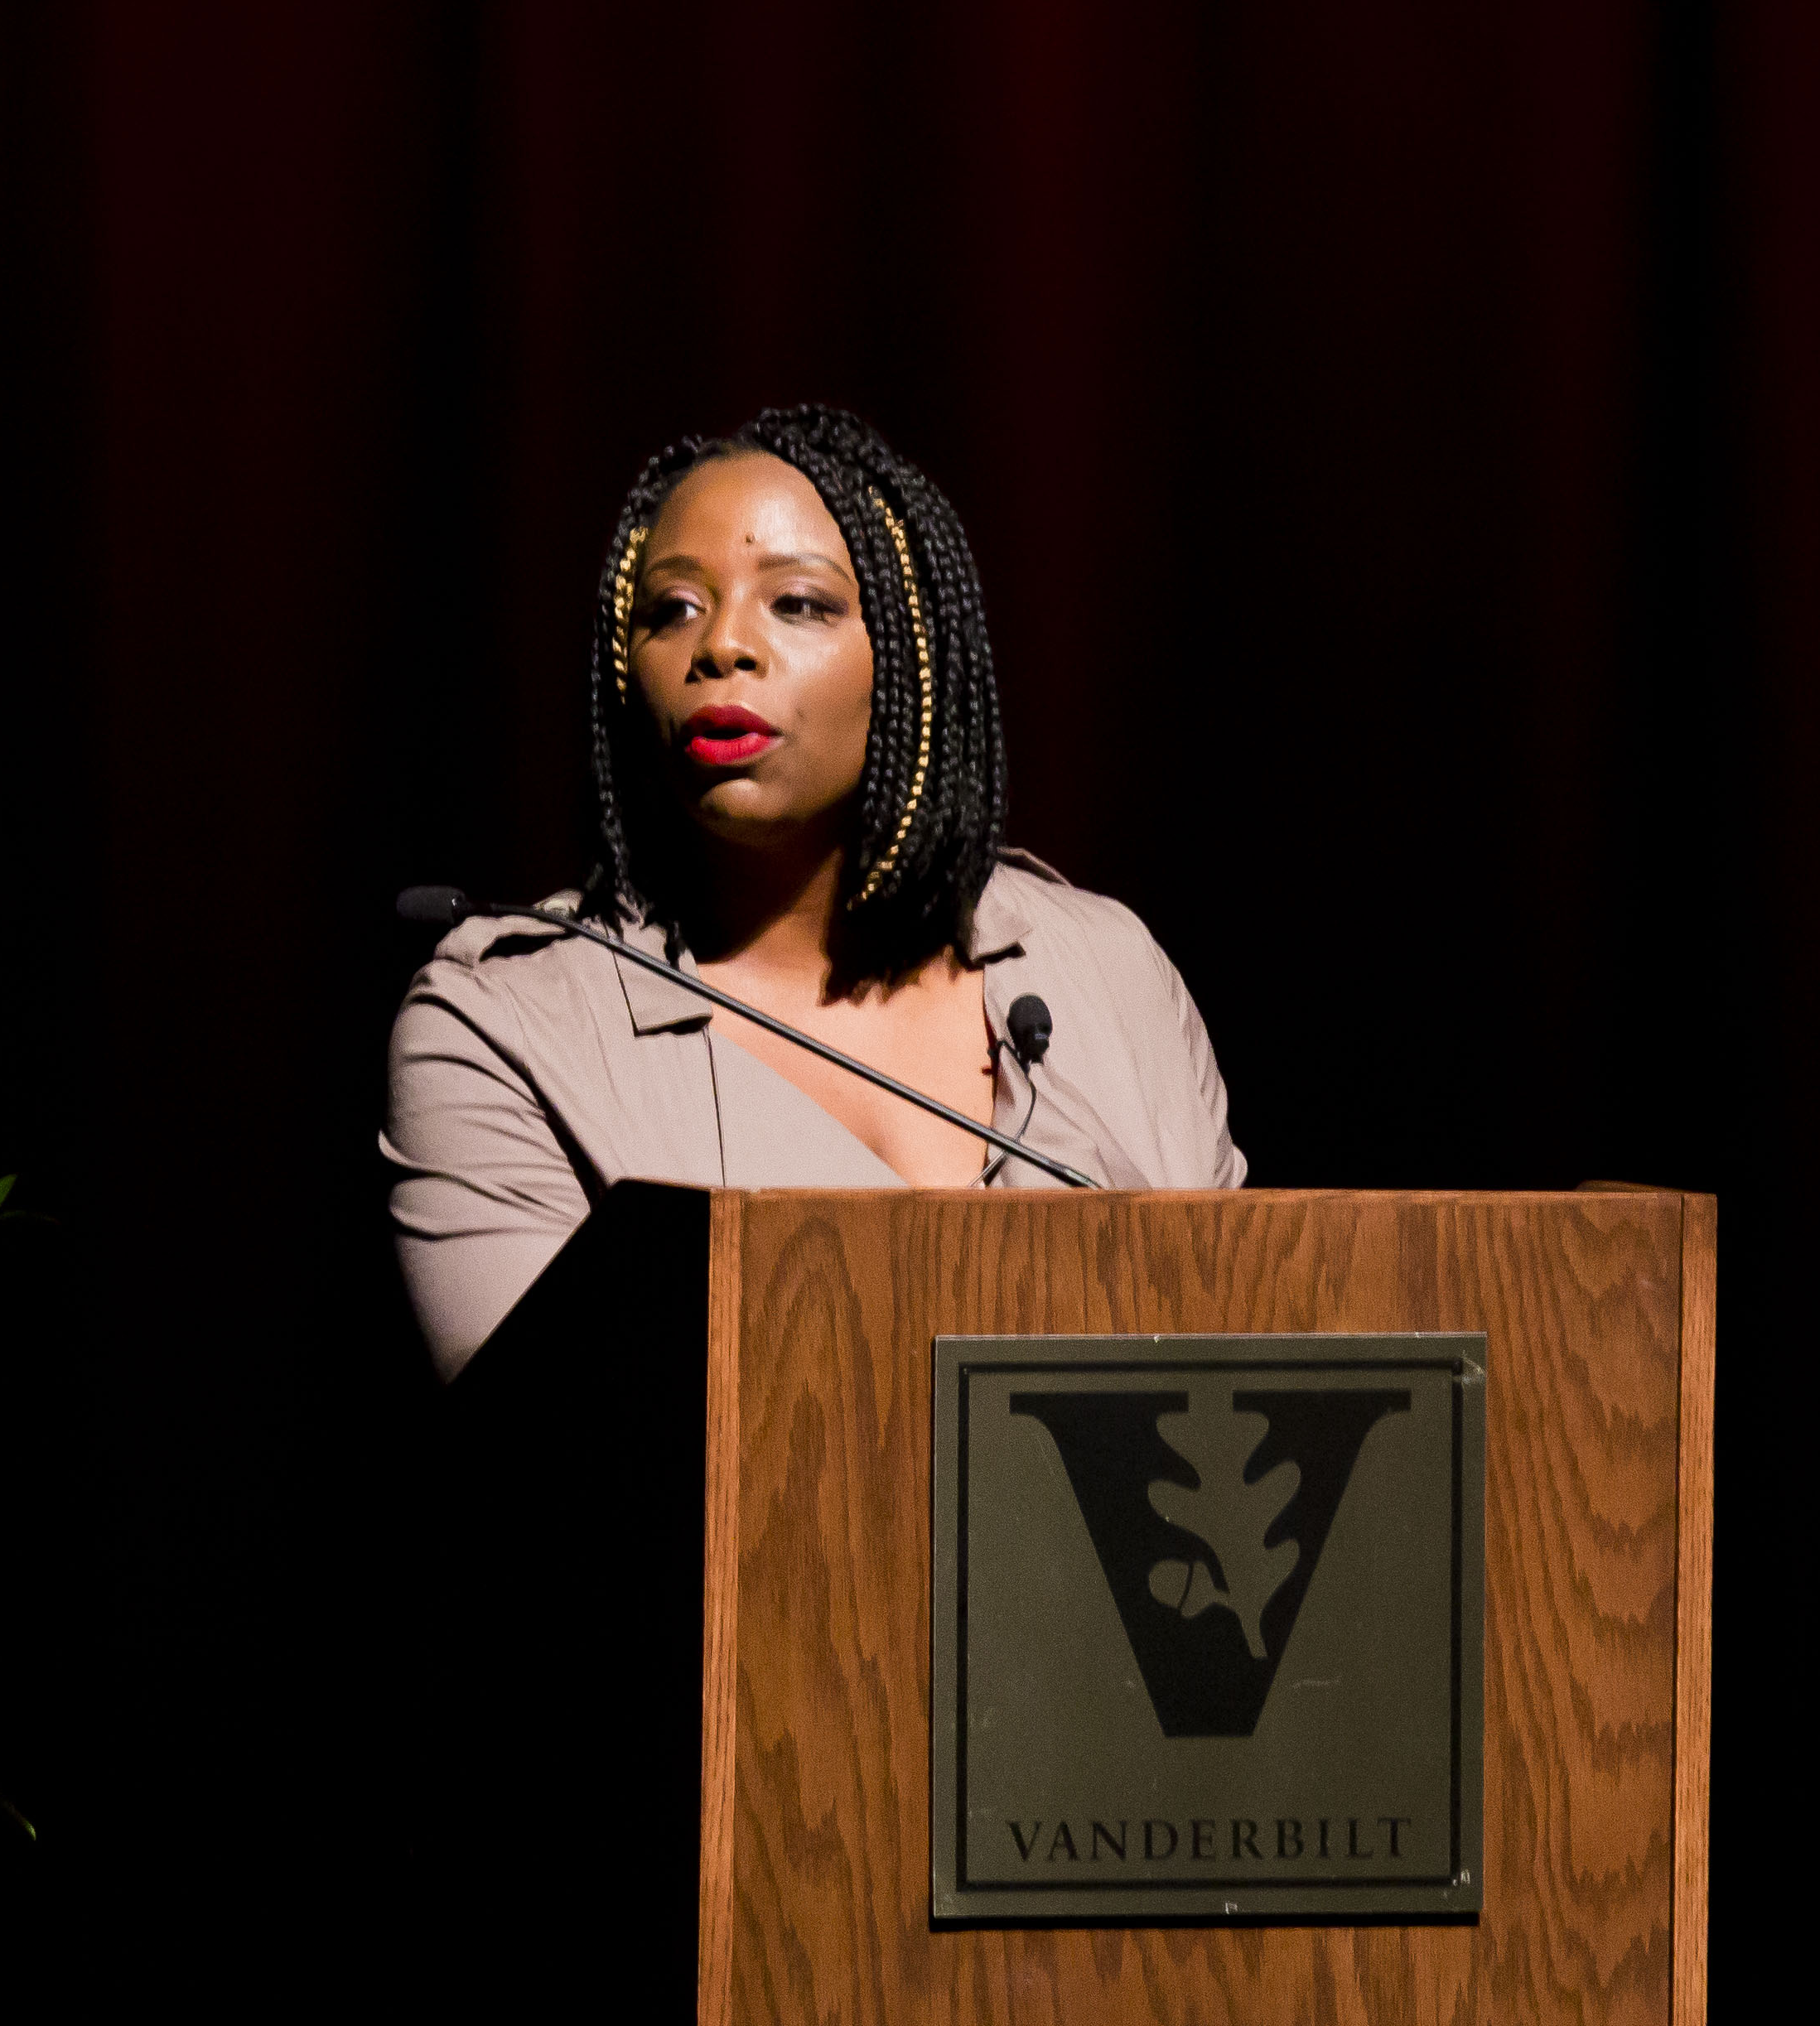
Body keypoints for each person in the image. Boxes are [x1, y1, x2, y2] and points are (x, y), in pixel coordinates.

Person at [384, 405, 1245, 1377]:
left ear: (913, 660)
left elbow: (1244, 1379)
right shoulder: (509, 1027)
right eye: (670, 609)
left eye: (798, 604)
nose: (720, 649)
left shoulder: (1103, 969)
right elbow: (564, 1473)